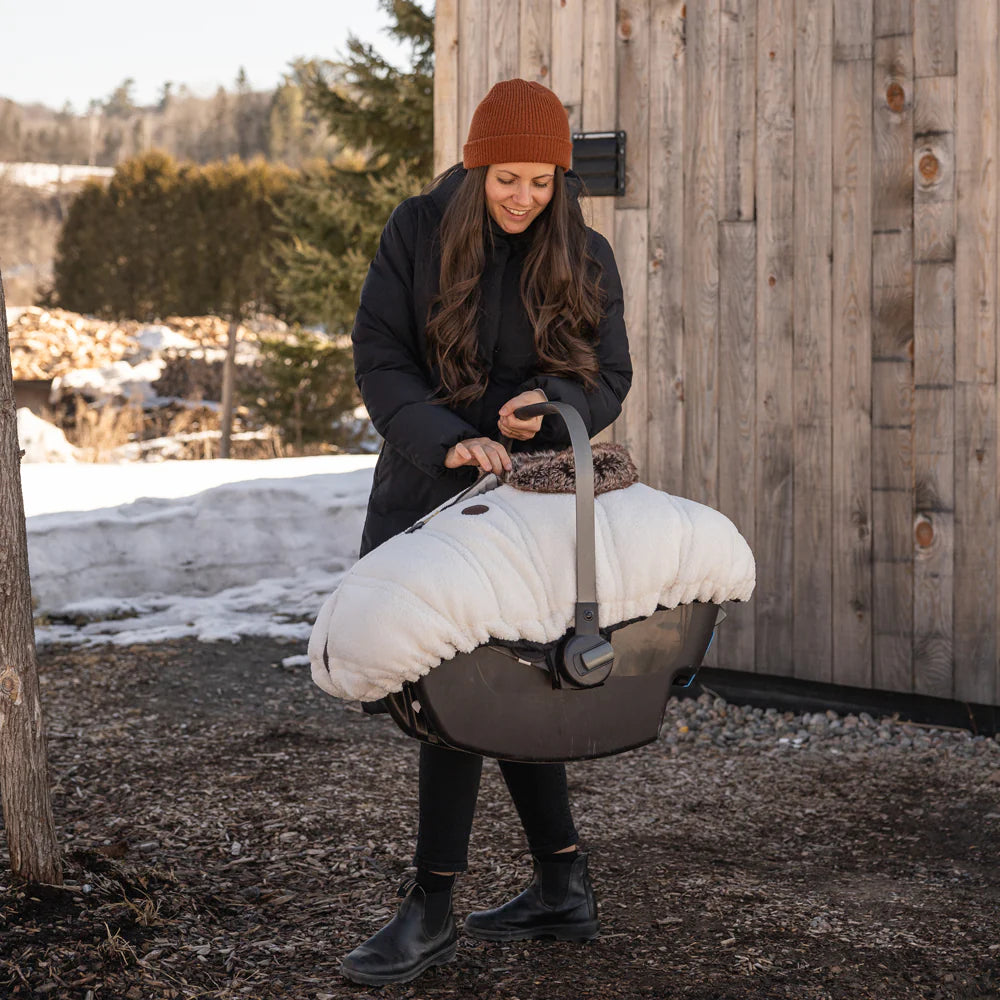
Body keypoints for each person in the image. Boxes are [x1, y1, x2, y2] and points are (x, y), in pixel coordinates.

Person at [339, 78, 632, 986]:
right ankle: (551, 885)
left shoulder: (582, 251)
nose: (523, 198)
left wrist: (550, 408)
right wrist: (454, 436)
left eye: (541, 181)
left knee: (502, 685)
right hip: (428, 486)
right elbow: (379, 356)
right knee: (452, 691)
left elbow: (608, 373)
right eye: (508, 178)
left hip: (535, 497)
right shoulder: (415, 232)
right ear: (476, 169)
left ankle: (452, 904)